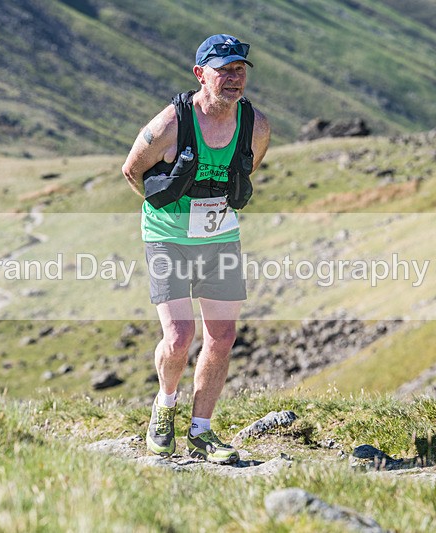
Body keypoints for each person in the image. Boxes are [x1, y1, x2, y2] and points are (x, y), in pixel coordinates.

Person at [122, 34, 270, 464]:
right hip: (168, 237)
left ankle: (202, 431)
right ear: (200, 74)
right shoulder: (171, 123)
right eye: (223, 70)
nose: (233, 78)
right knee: (179, 336)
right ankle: (165, 407)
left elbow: (247, 167)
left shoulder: (256, 125)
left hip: (220, 235)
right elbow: (132, 170)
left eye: (239, 69)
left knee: (222, 337)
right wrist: (170, 214)